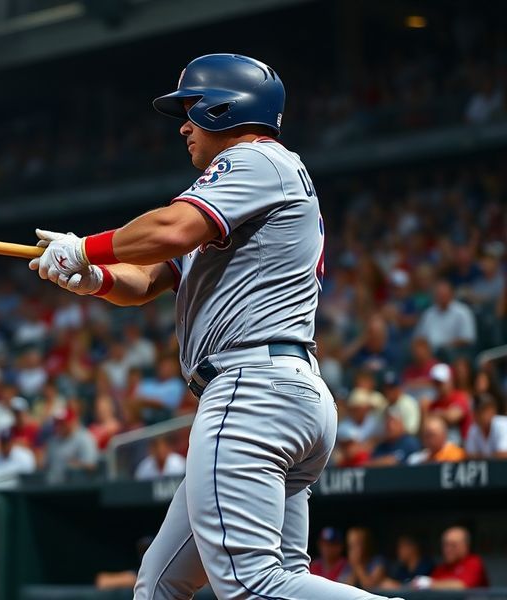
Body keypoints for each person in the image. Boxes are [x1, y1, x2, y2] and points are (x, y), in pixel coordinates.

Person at [30, 53, 400, 599]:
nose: (183, 124)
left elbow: (170, 228)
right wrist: (95, 278)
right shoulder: (240, 190)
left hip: (252, 389)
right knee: (161, 584)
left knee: (252, 587)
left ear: (227, 108)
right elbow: (153, 276)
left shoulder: (256, 160)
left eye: (192, 109)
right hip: (282, 392)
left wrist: (84, 245)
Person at [413, 280, 476, 359]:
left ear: (451, 294)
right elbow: (419, 337)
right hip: (429, 353)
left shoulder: (462, 312)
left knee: (443, 352)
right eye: (438, 294)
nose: (441, 297)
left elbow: (468, 339)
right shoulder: (429, 314)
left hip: (454, 353)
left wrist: (446, 345)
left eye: (443, 294)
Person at [413, 527, 488, 589]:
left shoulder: (473, 562)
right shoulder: (441, 569)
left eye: (453, 545)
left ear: (465, 546)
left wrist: (430, 584)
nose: (448, 549)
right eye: (446, 545)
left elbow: (462, 586)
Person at [43, 406, 98, 483]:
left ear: (71, 422)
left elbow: (91, 466)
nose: (58, 426)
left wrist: (75, 465)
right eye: (57, 423)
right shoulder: (52, 441)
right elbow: (46, 466)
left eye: (62, 423)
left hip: (78, 489)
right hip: (53, 488)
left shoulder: (84, 439)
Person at [422, 363, 473, 445]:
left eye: (440, 382)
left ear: (450, 381)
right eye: (435, 383)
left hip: (461, 446)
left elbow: (452, 417)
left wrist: (434, 414)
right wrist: (424, 411)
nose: (437, 386)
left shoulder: (460, 397)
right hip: (439, 448)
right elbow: (426, 429)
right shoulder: (433, 404)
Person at [465, 393, 507, 458]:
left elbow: (504, 454)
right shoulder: (473, 428)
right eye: (477, 411)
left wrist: (481, 456)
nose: (479, 415)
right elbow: (469, 455)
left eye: (483, 411)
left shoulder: (503, 424)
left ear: (493, 410)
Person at [380, 371, 420, 436]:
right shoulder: (384, 406)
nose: (389, 391)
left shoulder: (408, 403)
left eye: (392, 388)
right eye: (386, 388)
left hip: (405, 439)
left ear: (399, 388)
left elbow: (412, 430)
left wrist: (396, 429)